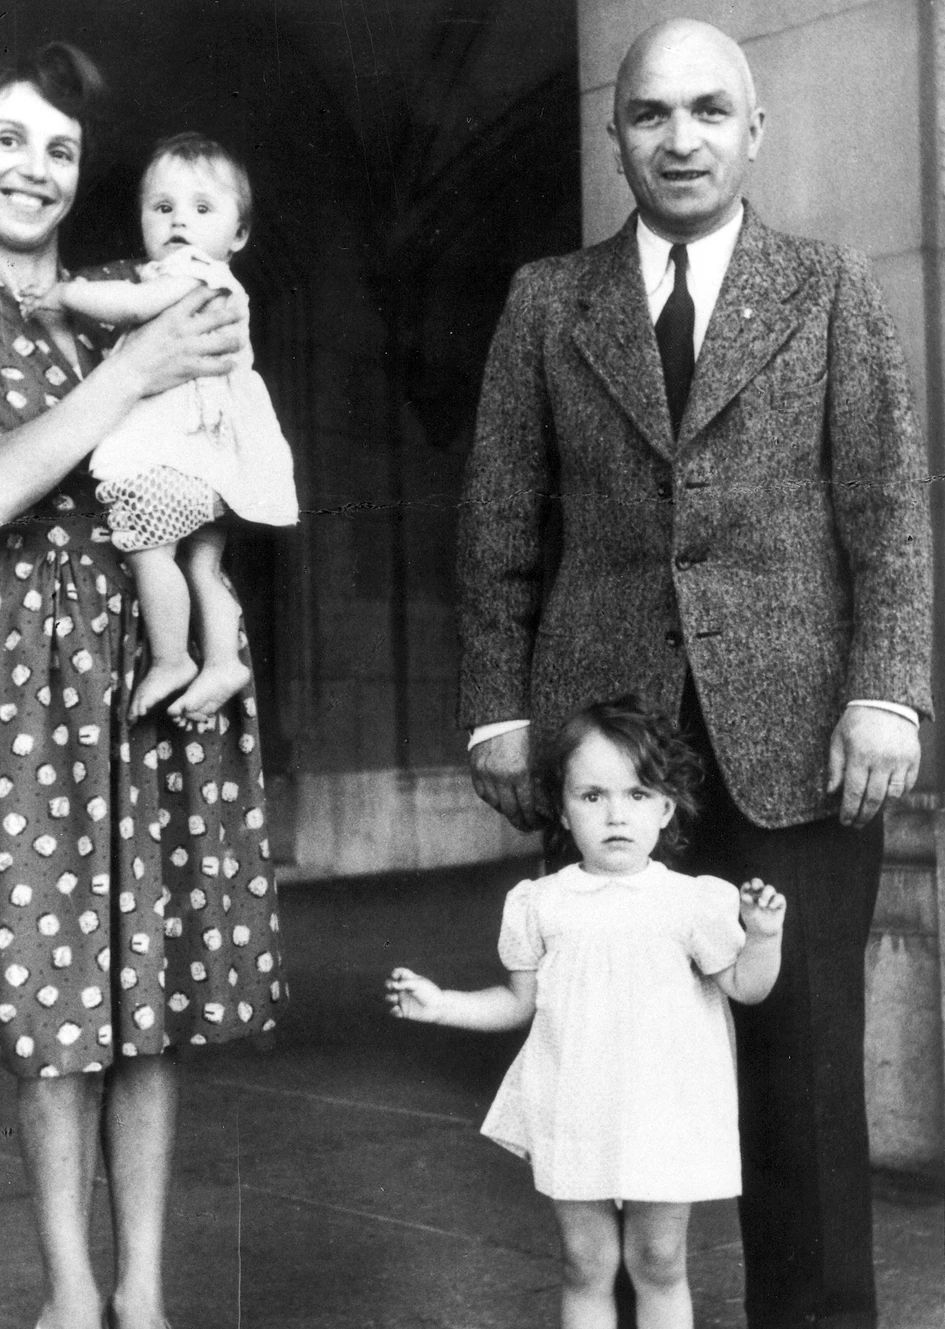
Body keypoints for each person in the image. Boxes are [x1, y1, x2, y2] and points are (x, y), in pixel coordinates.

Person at [457, 17, 932, 1329]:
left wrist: (886, 690)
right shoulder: (547, 301)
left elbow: (888, 507)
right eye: (652, 113)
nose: (681, 139)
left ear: (754, 132)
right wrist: (498, 711)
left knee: (803, 1074)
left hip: (801, 737)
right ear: (614, 136)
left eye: (710, 111)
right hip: (606, 753)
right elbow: (498, 524)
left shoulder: (827, 286)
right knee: (604, 1072)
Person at [0, 43, 284, 1329]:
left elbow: (227, 421)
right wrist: (129, 375)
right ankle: (69, 1294)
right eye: (10, 140)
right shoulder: (111, 324)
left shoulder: (142, 284)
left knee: (152, 999)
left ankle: (146, 1293)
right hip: (32, 681)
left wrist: (216, 593)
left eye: (59, 148)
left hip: (154, 666)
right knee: (55, 997)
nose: (35, 169)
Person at [388, 695, 786, 1329]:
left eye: (636, 794)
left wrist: (763, 937)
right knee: (584, 1262)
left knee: (659, 1261)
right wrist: (442, 1007)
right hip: (575, 1105)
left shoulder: (691, 902)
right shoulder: (540, 903)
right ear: (563, 808)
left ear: (665, 807)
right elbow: (517, 1002)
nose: (615, 814)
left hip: (664, 1108)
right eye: (592, 796)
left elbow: (747, 987)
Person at [22, 131, 299, 727]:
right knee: (201, 566)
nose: (180, 221)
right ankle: (223, 660)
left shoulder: (193, 274)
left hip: (178, 457)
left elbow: (131, 306)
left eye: (202, 208)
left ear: (239, 235)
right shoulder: (197, 275)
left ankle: (173, 659)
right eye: (163, 207)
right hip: (212, 462)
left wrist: (67, 292)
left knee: (148, 551)